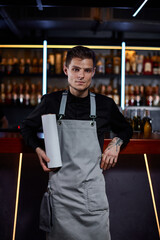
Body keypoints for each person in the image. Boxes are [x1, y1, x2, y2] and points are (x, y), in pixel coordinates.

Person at [21, 46, 133, 240]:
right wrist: (38, 149)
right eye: (76, 69)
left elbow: (126, 129)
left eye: (87, 70)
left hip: (93, 197)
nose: (81, 75)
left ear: (93, 73)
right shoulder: (51, 102)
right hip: (61, 195)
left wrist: (116, 143)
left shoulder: (105, 104)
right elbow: (26, 127)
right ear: (66, 70)